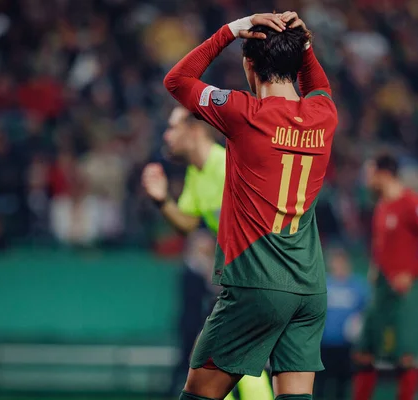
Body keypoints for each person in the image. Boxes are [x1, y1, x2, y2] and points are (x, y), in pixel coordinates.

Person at [163, 10, 337, 400]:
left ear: (249, 64)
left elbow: (177, 81)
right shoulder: (324, 114)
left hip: (256, 283)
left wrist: (228, 30)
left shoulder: (243, 113)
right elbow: (318, 84)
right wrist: (303, 44)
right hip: (309, 287)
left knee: (198, 394)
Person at [142, 106, 273, 400]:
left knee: (215, 358)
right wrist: (163, 201)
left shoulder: (228, 164)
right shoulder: (196, 172)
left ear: (196, 130)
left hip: (259, 274)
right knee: (219, 359)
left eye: (173, 127)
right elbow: (188, 222)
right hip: (240, 277)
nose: (167, 134)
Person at [353, 153, 418, 400]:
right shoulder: (382, 205)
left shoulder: (413, 203)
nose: (366, 178)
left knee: (406, 357)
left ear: (384, 174)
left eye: (370, 172)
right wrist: (376, 267)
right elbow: (381, 245)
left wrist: (413, 273)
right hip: (381, 288)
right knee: (364, 352)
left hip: (406, 292)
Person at [314, 248, 369, 400]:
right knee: (320, 386)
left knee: (342, 387)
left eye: (342, 262)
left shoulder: (358, 286)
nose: (339, 266)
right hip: (323, 346)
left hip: (346, 347)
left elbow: (366, 312)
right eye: (336, 262)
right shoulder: (323, 284)